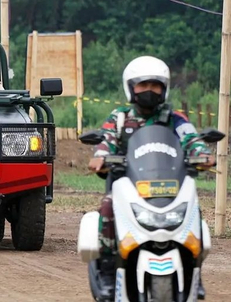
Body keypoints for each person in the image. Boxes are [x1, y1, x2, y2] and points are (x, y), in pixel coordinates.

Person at [88, 56, 215, 301]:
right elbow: (106, 141)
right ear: (131, 87)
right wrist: (101, 156)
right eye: (143, 85)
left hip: (171, 187)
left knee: (194, 211)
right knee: (106, 207)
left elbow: (191, 139)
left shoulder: (175, 118)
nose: (149, 90)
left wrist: (202, 154)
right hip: (130, 187)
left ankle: (194, 272)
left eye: (155, 85)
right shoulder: (120, 117)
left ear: (164, 88)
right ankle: (106, 272)